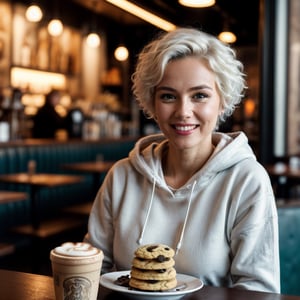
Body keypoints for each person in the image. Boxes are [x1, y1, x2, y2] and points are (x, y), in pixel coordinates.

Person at [84, 28, 280, 293]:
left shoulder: (246, 181)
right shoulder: (121, 177)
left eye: (200, 95)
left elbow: (258, 292)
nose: (183, 112)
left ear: (222, 101)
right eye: (168, 96)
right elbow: (94, 271)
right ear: (152, 103)